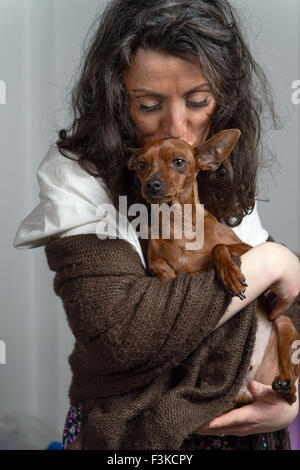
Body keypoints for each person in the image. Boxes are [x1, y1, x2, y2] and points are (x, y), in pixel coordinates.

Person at [14, 0, 300, 450]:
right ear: (115, 99)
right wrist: (275, 261)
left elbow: (282, 309)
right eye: (148, 105)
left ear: (221, 99)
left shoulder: (206, 164)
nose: (178, 126)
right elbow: (124, 334)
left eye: (198, 101)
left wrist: (289, 400)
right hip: (136, 436)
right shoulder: (76, 175)